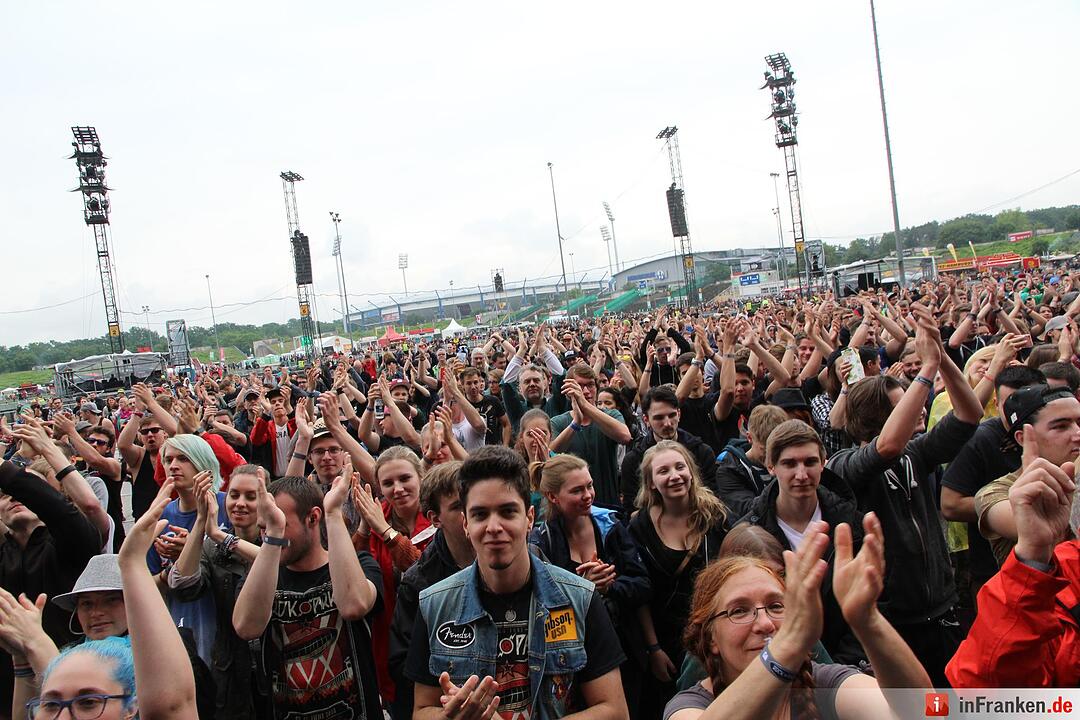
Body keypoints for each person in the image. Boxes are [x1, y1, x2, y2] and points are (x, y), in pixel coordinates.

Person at [406, 446, 628, 720]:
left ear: (530, 518)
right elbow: (422, 710)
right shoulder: (435, 605)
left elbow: (615, 710)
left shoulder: (579, 598)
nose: (494, 527)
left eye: (508, 511)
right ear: (465, 523)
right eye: (480, 515)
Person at [826, 303, 981, 686]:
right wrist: (925, 370)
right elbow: (887, 446)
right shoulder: (843, 465)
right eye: (905, 406)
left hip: (940, 609)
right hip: (891, 621)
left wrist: (941, 358)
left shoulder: (917, 453)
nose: (921, 408)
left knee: (948, 707)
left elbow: (969, 415)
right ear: (877, 415)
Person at [664, 515, 932, 720]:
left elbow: (928, 711)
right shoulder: (689, 705)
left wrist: (868, 621)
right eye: (739, 610)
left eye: (776, 606)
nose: (765, 623)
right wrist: (788, 644)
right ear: (710, 637)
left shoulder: (825, 682)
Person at [232, 474, 384, 720]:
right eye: (265, 526)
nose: (270, 531)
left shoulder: (360, 565)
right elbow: (246, 627)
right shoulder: (262, 577)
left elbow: (353, 605)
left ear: (313, 517)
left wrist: (333, 513)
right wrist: (273, 536)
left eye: (281, 524)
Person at [946, 425, 1080, 687]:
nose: (1076, 432)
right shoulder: (1057, 588)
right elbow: (987, 699)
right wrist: (1032, 555)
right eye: (1061, 425)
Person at [530, 454, 652, 719]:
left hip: (625, 649)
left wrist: (610, 587)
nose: (588, 495)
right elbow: (538, 607)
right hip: (575, 660)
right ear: (553, 497)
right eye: (577, 490)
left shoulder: (611, 525)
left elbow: (643, 584)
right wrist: (582, 590)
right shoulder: (542, 543)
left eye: (589, 486)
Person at [741, 420, 867, 666]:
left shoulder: (852, 525)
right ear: (771, 467)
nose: (801, 475)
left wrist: (841, 668)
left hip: (849, 669)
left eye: (810, 462)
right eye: (789, 464)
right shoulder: (750, 534)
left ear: (823, 463)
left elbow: (873, 602)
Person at [629, 440, 728, 720]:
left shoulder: (716, 516)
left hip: (713, 636)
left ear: (691, 471)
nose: (674, 475)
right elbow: (641, 596)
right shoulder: (640, 528)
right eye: (663, 471)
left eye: (679, 467)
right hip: (666, 641)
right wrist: (654, 649)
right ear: (651, 483)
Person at [167, 464, 268, 719]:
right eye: (234, 495)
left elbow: (274, 561)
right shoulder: (213, 547)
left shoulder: (278, 540)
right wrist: (202, 522)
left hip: (274, 667)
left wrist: (221, 537)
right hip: (231, 669)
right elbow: (182, 586)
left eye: (250, 496)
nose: (240, 504)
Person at [388, 461, 474, 720]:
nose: (471, 512)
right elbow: (401, 663)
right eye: (458, 506)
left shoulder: (515, 557)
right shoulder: (420, 582)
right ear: (435, 518)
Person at [352, 446, 434, 709]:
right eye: (388, 483)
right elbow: (354, 571)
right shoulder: (377, 519)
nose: (397, 488)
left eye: (405, 479)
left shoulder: (438, 516)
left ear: (420, 477)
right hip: (388, 641)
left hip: (431, 639)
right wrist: (365, 530)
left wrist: (386, 532)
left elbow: (424, 574)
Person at [147, 434, 231, 667]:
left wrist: (199, 551)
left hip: (226, 622)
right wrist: (175, 569)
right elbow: (145, 583)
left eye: (183, 458)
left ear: (202, 461)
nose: (173, 465)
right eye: (168, 459)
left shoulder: (230, 506)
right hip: (184, 626)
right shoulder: (161, 517)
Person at [974, 383, 1080, 565]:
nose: (1077, 433)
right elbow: (1030, 525)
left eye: (1079, 423)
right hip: (1038, 591)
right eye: (1061, 426)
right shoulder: (996, 493)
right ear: (1022, 438)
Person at [620, 386, 720, 516]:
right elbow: (631, 510)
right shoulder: (633, 461)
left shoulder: (701, 452)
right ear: (646, 420)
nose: (667, 423)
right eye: (659, 418)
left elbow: (714, 497)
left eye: (671, 415)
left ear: (679, 414)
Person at [550, 365, 632, 508]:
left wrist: (585, 406)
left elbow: (625, 437)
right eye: (580, 386)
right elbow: (551, 452)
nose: (586, 391)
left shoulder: (611, 414)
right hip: (573, 508)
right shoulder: (558, 422)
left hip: (609, 506)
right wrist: (575, 423)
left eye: (590, 385)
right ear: (568, 390)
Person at [713, 405, 787, 519]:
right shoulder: (729, 469)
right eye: (765, 450)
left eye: (779, 449)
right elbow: (749, 510)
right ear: (749, 437)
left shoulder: (794, 459)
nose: (772, 456)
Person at [248, 386, 297, 478]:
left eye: (281, 401)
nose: (277, 404)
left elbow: (299, 435)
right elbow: (255, 440)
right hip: (275, 479)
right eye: (273, 402)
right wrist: (266, 412)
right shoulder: (268, 426)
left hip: (297, 476)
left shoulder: (294, 423)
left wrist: (289, 408)